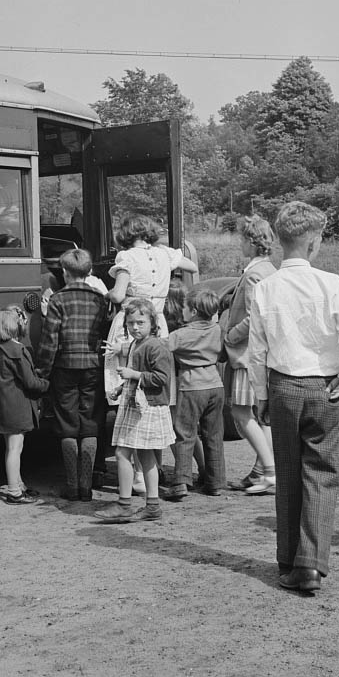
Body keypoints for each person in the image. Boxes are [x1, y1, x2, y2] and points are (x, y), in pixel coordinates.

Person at [248, 201, 339, 594]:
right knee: (322, 473)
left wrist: (261, 393)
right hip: (324, 386)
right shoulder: (330, 282)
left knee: (289, 473)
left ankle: (288, 557)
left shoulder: (264, 287)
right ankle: (310, 564)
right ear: (314, 243)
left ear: (279, 241)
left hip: (282, 386)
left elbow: (257, 349)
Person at [103, 214, 198, 493]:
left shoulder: (126, 258)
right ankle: (152, 469)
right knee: (155, 397)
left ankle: (137, 476)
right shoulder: (164, 253)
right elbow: (191, 264)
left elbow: (119, 296)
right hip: (157, 321)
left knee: (130, 396)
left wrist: (104, 292)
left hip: (131, 322)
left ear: (126, 233)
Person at [36, 248, 110, 502]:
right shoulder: (100, 298)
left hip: (65, 367)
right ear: (89, 272)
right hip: (92, 366)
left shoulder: (57, 300)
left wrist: (42, 373)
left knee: (67, 424)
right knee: (90, 423)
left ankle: (71, 485)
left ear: (65, 273)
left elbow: (49, 341)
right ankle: (87, 487)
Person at [95, 298, 175, 523]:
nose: (135, 327)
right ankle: (152, 505)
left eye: (141, 322)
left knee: (122, 453)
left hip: (147, 407)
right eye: (131, 323)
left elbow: (162, 378)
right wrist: (121, 389)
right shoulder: (135, 345)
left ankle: (124, 504)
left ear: (153, 322)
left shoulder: (155, 346)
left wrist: (134, 375)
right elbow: (136, 375)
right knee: (146, 456)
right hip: (136, 404)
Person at [223, 215, 277, 495]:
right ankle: (261, 470)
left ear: (252, 242)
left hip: (246, 355)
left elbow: (256, 315)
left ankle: (269, 472)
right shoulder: (269, 269)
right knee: (259, 415)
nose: (240, 243)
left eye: (243, 239)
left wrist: (230, 336)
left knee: (240, 413)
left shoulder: (255, 273)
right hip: (259, 355)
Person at [0, 304, 50, 505]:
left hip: (2, 406)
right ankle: (14, 491)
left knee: (10, 447)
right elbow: (30, 382)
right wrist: (46, 383)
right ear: (18, 326)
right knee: (15, 448)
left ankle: (19, 484)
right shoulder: (18, 350)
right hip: (17, 406)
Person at [163, 287, 227, 499]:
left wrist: (123, 348)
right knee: (214, 436)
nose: (182, 311)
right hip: (215, 386)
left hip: (192, 386)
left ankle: (181, 481)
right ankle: (216, 483)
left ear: (193, 311)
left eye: (184, 308)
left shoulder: (181, 335)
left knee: (185, 434)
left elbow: (157, 348)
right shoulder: (217, 330)